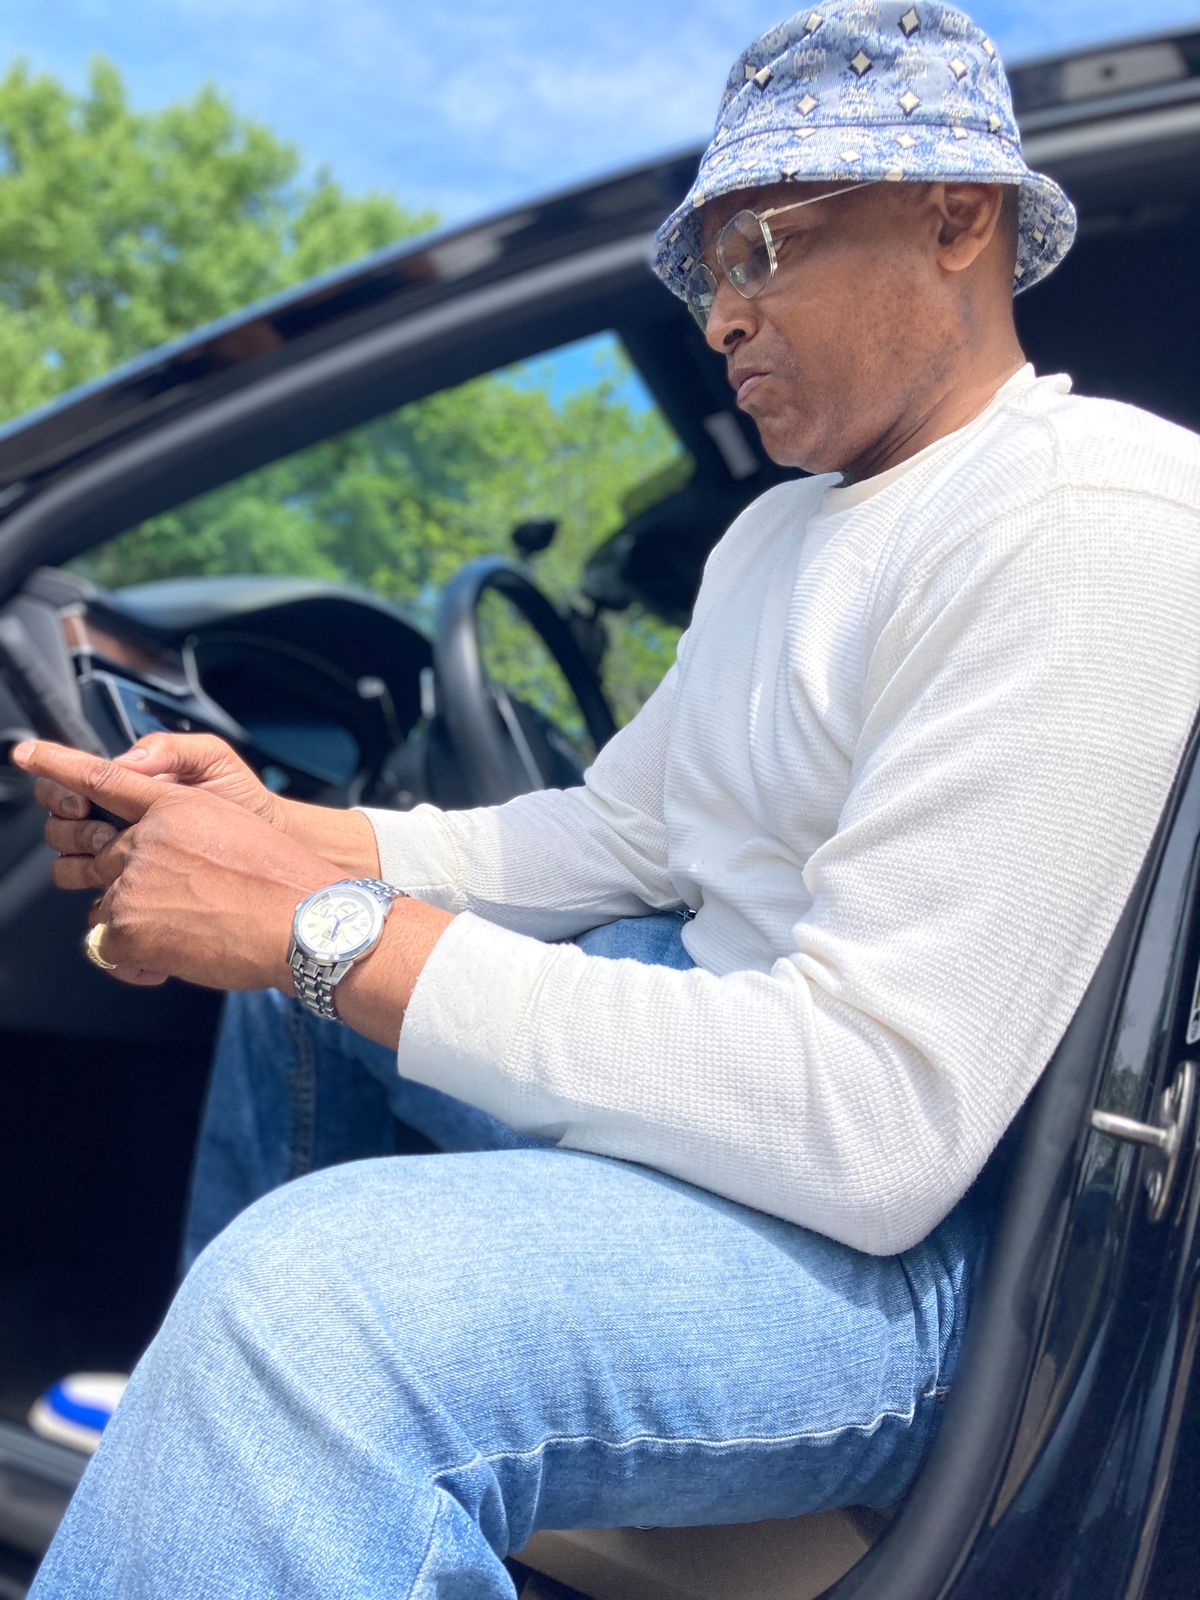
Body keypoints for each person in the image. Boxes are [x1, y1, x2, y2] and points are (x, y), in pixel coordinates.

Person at [14, 3, 1200, 1595]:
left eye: (765, 246)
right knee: (294, 1005)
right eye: (710, 271)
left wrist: (324, 927)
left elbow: (875, 1127)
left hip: (917, 1261)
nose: (724, 314)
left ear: (955, 216)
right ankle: (220, 1465)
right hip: (750, 1079)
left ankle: (257, 1416)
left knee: (313, 1303)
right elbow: (616, 832)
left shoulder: (1094, 519)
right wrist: (282, 839)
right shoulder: (778, 536)